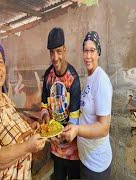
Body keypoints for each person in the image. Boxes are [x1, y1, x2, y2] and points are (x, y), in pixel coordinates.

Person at [0, 41, 46, 179]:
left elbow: (10, 131)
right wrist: (28, 146)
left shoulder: (5, 98)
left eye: (0, 62)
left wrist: (30, 129)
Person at [61, 31, 113, 180]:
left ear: (98, 53)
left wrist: (77, 130)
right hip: (85, 159)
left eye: (92, 50)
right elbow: (86, 114)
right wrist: (71, 125)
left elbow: (103, 128)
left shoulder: (101, 80)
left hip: (96, 166)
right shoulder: (89, 77)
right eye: (85, 50)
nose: (88, 55)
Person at [40, 27, 81, 180]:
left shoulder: (73, 79)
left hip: (72, 150)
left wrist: (63, 136)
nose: (55, 57)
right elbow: (44, 104)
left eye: (58, 51)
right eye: (51, 52)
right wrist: (44, 117)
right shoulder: (48, 76)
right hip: (55, 148)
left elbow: (75, 119)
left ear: (65, 49)